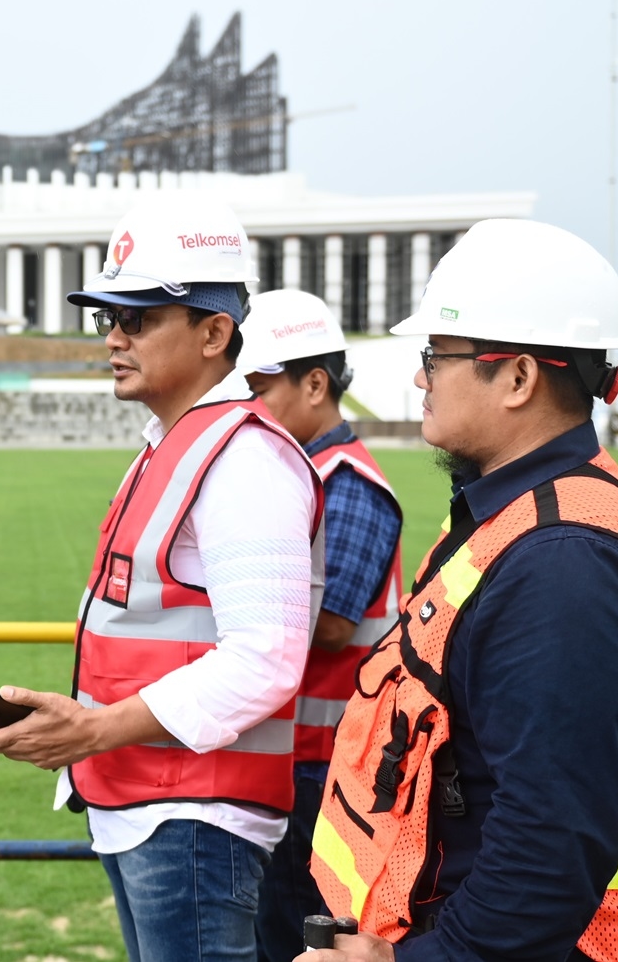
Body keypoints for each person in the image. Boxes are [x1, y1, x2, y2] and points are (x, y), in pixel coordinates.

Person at [306, 218, 618, 962]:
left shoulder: (562, 563)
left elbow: (548, 847)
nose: (421, 377)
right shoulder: (523, 519)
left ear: (517, 376)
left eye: (436, 355)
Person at [0, 205, 323, 962]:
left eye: (138, 318)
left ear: (214, 332)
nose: (113, 335)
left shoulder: (244, 459)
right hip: (155, 805)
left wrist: (97, 728)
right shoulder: (180, 444)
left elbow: (265, 656)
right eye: (111, 315)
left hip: (195, 817)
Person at [236, 290, 404, 961]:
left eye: (261, 387)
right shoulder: (309, 474)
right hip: (299, 751)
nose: (252, 405)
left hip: (326, 759)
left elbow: (331, 623)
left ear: (315, 383)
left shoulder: (348, 482)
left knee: (290, 931)